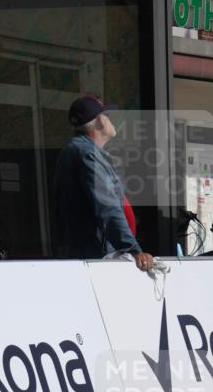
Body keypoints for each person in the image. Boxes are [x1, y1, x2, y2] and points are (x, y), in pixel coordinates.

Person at [52, 95, 154, 272]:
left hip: (87, 256)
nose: (112, 122)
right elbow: (107, 206)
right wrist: (133, 250)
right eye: (109, 117)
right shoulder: (87, 153)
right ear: (99, 121)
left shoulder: (80, 150)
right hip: (95, 260)